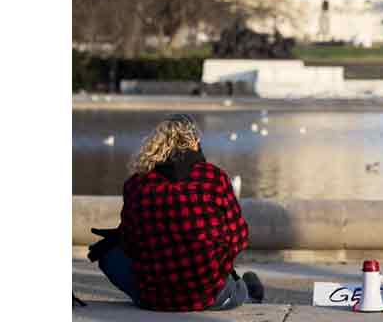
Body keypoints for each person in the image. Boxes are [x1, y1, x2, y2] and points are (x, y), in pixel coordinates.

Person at [87, 114, 264, 311]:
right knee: (236, 288)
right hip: (208, 293)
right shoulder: (214, 177)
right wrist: (218, 262)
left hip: (154, 297)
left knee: (106, 254)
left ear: (155, 144)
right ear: (195, 142)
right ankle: (246, 291)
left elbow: (130, 242)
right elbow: (238, 237)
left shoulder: (137, 183)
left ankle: (238, 286)